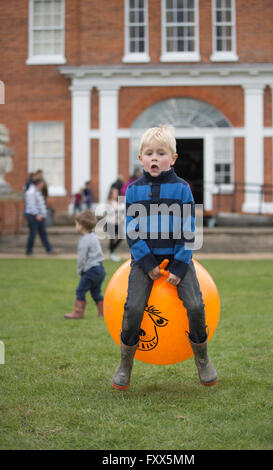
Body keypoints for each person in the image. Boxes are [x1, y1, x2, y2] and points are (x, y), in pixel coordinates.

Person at [112, 125, 218, 390]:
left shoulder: (182, 189)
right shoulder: (133, 191)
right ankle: (126, 362)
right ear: (141, 159)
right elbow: (132, 231)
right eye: (149, 153)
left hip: (177, 260)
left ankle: (202, 357)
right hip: (144, 262)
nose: (155, 158)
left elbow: (188, 229)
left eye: (161, 153)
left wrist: (180, 267)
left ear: (172, 158)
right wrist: (147, 264)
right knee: (134, 308)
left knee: (195, 305)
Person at [64, 210, 105, 319]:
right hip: (100, 269)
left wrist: (80, 271)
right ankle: (103, 311)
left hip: (91, 270)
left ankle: (78, 312)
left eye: (76, 224)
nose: (75, 226)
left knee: (80, 290)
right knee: (96, 292)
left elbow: (81, 258)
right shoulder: (94, 237)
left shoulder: (84, 240)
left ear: (81, 226)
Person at [24, 178, 53, 256]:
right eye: (42, 184)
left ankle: (49, 249)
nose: (43, 185)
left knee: (43, 234)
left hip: (39, 216)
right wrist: (37, 214)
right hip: (33, 216)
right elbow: (31, 205)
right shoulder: (31, 192)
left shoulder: (37, 191)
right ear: (38, 184)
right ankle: (29, 251)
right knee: (32, 234)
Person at [106, 186, 124, 261]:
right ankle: (111, 252)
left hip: (117, 223)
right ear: (111, 194)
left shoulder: (117, 202)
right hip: (110, 223)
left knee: (121, 237)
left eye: (117, 193)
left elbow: (121, 211)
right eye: (115, 193)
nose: (116, 194)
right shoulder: (108, 202)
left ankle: (111, 251)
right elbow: (108, 212)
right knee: (112, 238)